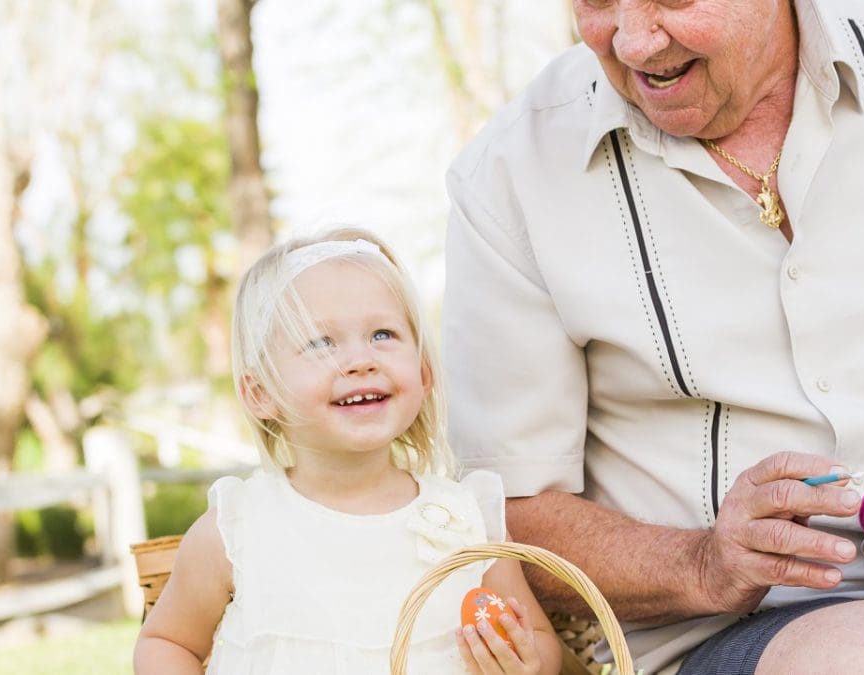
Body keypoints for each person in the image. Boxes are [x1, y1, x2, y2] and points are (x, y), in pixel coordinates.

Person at [442, 0, 864, 672]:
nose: (633, 40)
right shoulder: (508, 175)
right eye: (595, 1)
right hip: (738, 631)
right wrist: (701, 560)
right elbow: (515, 521)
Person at [133, 227, 561, 674]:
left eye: (382, 334)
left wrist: (527, 662)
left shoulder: (466, 520)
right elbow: (167, 642)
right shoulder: (237, 529)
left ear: (424, 371)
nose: (360, 360)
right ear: (261, 393)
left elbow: (542, 641)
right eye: (321, 343)